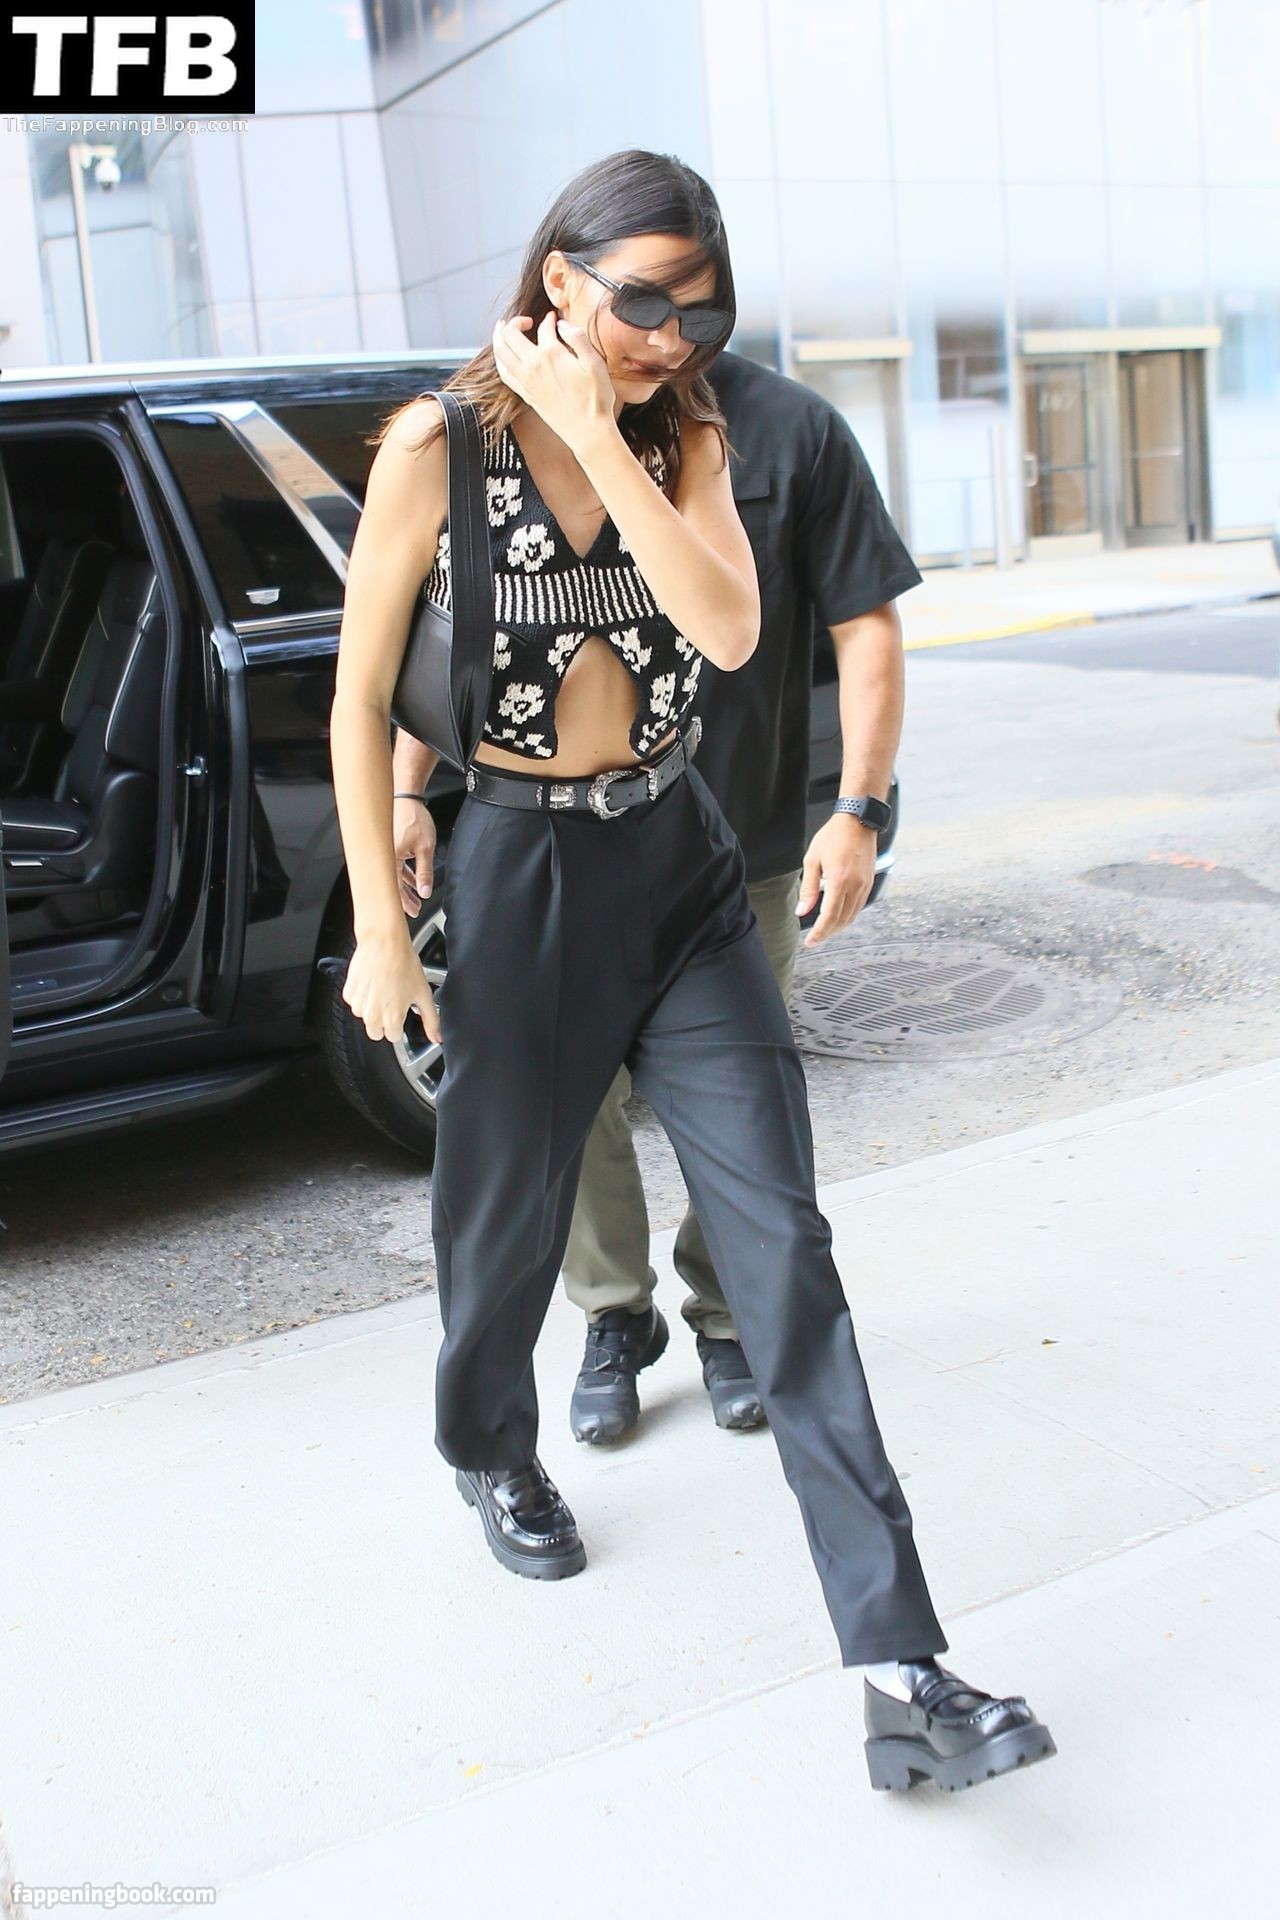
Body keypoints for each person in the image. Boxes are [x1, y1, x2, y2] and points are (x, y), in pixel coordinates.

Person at [330, 147, 1055, 1793]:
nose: (670, 337)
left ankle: (902, 1670)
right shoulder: (438, 448)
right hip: (522, 872)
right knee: (498, 1227)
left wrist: (606, 430)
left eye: (700, 313)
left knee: (783, 1247)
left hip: (683, 866)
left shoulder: (690, 433)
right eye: (643, 301)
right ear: (560, 280)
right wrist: (379, 922)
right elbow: (360, 696)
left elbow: (728, 630)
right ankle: (487, 1447)